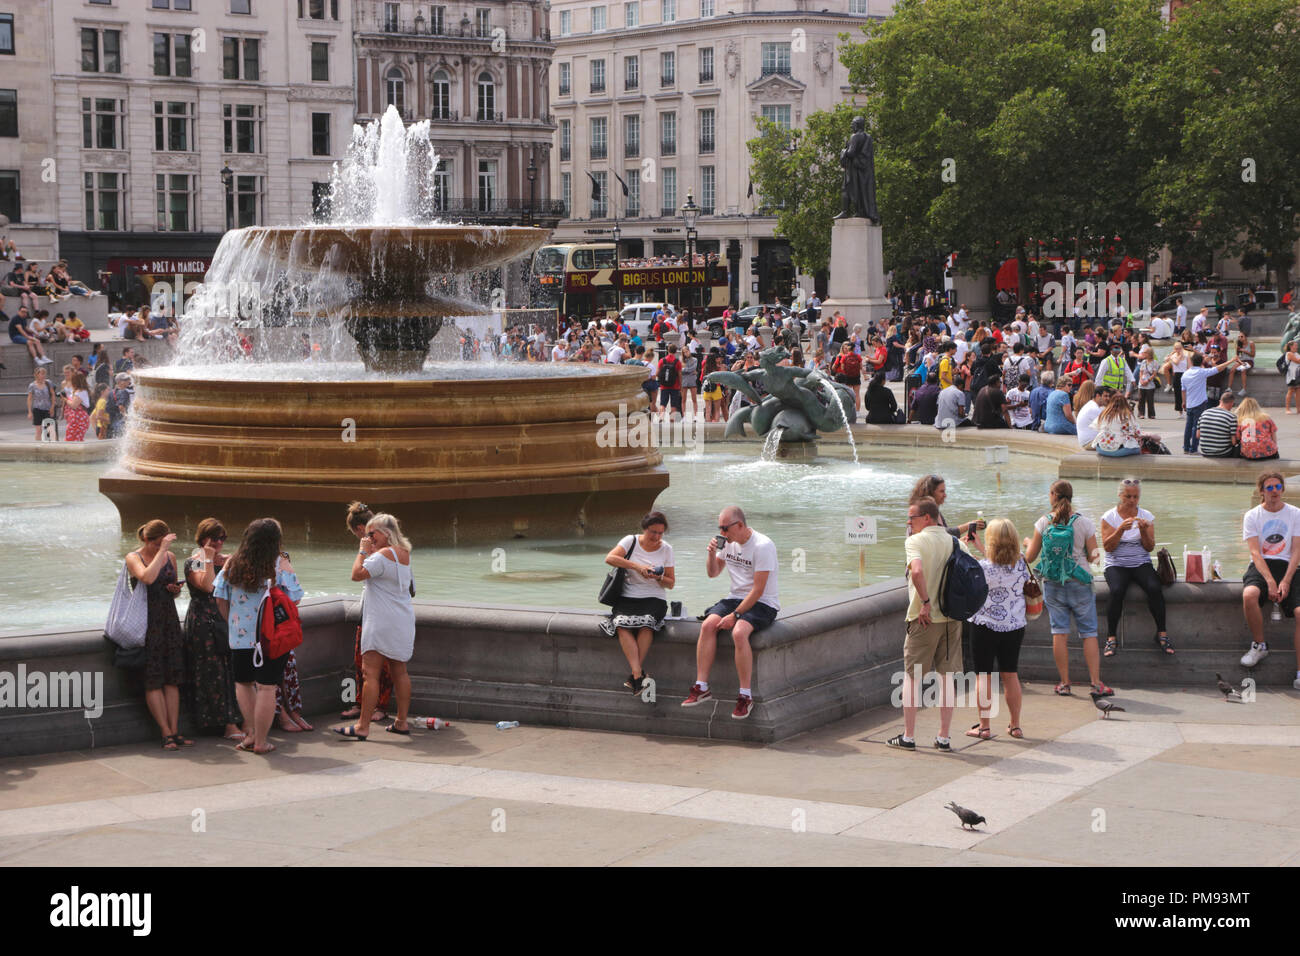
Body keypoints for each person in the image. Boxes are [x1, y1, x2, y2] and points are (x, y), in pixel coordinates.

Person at [214, 518, 304, 755]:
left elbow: (219, 596)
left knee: (243, 684)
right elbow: (294, 597)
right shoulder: (278, 565)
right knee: (266, 688)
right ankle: (262, 741)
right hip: (271, 637)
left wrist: (232, 623)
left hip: (240, 636)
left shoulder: (233, 563)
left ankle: (252, 734)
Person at [681, 506, 779, 720]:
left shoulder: (763, 546)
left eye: (726, 528)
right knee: (707, 625)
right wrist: (710, 554)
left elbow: (758, 590)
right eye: (720, 528)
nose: (722, 533)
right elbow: (713, 573)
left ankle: (745, 696)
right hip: (734, 597)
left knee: (738, 633)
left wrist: (735, 616)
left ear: (740, 525)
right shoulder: (728, 544)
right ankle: (701, 687)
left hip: (763, 602)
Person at [889, 496, 967, 750]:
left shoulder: (915, 541)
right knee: (947, 678)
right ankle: (943, 737)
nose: (908, 522)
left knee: (912, 678)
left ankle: (908, 736)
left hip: (923, 619)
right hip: (951, 618)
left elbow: (917, 571)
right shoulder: (954, 541)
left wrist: (925, 601)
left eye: (911, 517)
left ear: (926, 518)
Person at [1024, 480, 1112, 697]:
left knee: (1059, 633)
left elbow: (1030, 558)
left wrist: (1028, 543)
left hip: (1053, 583)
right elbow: (1093, 556)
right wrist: (1093, 555)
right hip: (1080, 582)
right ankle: (1096, 683)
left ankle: (1064, 683)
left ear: (1052, 495)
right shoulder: (1083, 523)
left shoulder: (1043, 522)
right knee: (1089, 633)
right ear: (1071, 496)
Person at [335, 513, 416, 739]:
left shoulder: (382, 555)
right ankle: (401, 721)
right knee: (400, 671)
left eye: (372, 534)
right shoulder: (404, 554)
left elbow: (356, 575)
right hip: (402, 620)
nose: (368, 538)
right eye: (367, 534)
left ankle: (362, 727)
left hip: (380, 621)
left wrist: (362, 551)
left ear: (387, 534)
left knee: (370, 674)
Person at [125, 520, 191, 751]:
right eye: (156, 543)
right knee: (153, 679)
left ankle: (175, 730)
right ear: (147, 540)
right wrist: (161, 550)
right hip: (147, 622)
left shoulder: (170, 557)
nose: (159, 548)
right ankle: (165, 733)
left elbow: (167, 585)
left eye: (161, 544)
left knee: (173, 678)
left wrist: (175, 590)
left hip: (168, 620)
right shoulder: (134, 557)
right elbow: (147, 578)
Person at [182, 518, 245, 741]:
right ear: (203, 539)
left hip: (224, 617)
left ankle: (239, 720)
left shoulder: (225, 560)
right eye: (215, 538)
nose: (219, 543)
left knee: (231, 670)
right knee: (213, 671)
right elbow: (207, 586)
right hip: (204, 621)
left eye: (222, 538)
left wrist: (227, 562)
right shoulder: (195, 561)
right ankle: (226, 724)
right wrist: (208, 558)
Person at [966, 518, 1029, 740]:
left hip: (984, 625)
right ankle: (1015, 725)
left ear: (990, 541)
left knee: (984, 675)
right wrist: (980, 550)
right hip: (1013, 625)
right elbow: (1004, 566)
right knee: (1010, 674)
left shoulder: (982, 568)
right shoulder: (1022, 564)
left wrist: (973, 551)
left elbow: (987, 571)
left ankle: (984, 727)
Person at [600, 510, 674, 697]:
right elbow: (609, 558)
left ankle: (635, 676)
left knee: (647, 624)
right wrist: (638, 567)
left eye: (660, 533)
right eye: (653, 532)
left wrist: (659, 577)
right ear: (644, 529)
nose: (656, 537)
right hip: (628, 595)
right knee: (621, 625)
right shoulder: (630, 541)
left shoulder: (667, 549)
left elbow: (671, 583)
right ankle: (638, 674)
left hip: (654, 597)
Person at [1239, 472, 1300, 690]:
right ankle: (1259, 645)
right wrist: (1270, 581)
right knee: (1249, 595)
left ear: (1282, 489)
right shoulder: (1252, 515)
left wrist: (1285, 581)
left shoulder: (1295, 514)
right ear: (1261, 491)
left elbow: (1296, 551)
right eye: (1269, 487)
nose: (1274, 491)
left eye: (1277, 487)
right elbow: (1255, 553)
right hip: (1262, 565)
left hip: (1289, 566)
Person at [1099, 479, 1169, 658]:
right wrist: (1120, 530)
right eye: (1128, 496)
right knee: (1116, 590)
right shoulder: (1109, 517)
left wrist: (1144, 531)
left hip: (1140, 562)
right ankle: (1111, 636)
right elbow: (1108, 547)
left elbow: (1149, 547)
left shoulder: (1147, 516)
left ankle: (1162, 633)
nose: (1132, 500)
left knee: (1154, 588)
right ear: (1120, 495)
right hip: (1116, 563)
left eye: (1135, 497)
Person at [339, 502, 393, 724]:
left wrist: (363, 551)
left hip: (382, 613)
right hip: (369, 610)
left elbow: (356, 574)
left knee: (383, 665)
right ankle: (361, 703)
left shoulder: (384, 550)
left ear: (360, 529)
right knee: (361, 661)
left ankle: (380, 706)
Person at [1181, 351, 1238, 454]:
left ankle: (1186, 447)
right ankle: (1193, 449)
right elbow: (1218, 369)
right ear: (1201, 361)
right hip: (1199, 403)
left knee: (1188, 426)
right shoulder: (1202, 372)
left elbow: (1183, 390)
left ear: (1192, 361)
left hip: (1189, 403)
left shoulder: (1185, 374)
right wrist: (1232, 360)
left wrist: (1184, 402)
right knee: (1196, 427)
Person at [1093, 393, 1142, 458]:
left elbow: (1096, 427)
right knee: (1137, 449)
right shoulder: (1127, 415)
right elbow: (1136, 433)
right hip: (1118, 450)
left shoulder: (1104, 413)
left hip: (1101, 449)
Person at [1198, 390, 1240, 458]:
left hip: (1204, 451)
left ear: (1220, 401)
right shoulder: (1231, 417)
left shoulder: (1204, 413)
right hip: (1222, 452)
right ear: (1231, 403)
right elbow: (1233, 442)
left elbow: (1198, 435)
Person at [831, 341, 864, 411]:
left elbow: (842, 368)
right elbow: (861, 367)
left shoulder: (844, 357)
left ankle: (849, 410)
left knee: (848, 394)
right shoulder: (858, 356)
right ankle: (858, 411)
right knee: (857, 394)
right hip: (856, 376)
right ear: (854, 349)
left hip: (847, 377)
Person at [26, 365, 56, 440]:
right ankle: (38, 447)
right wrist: (29, 411)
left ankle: (51, 446)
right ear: (36, 375)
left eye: (44, 374)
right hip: (37, 409)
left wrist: (52, 407)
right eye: (41, 374)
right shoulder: (32, 385)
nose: (43, 375)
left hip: (48, 408)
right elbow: (29, 398)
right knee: (38, 430)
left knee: (50, 429)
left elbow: (53, 395)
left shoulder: (48, 383)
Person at [1075, 383, 1109, 447]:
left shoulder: (1092, 405)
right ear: (1098, 396)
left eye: (1108, 396)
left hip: (1089, 441)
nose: (1108, 398)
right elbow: (1108, 427)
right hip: (1090, 443)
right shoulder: (1094, 409)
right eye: (1105, 396)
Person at [62, 370, 91, 442]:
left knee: (74, 439)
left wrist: (65, 399)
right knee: (74, 439)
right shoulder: (78, 391)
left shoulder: (80, 392)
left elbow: (74, 405)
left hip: (78, 418)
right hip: (75, 418)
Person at [1284, 340, 1300, 414]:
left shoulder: (1296, 353)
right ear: (1291, 346)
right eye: (1295, 345)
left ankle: (1298, 409)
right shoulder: (1289, 354)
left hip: (1297, 375)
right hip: (1291, 376)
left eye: (1297, 345)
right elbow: (1297, 361)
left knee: (1298, 392)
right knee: (1290, 391)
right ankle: (1287, 409)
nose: (1297, 346)